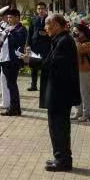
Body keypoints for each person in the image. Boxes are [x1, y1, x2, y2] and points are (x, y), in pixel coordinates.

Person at [33, 14, 79, 172]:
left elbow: (55, 64)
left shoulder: (65, 41)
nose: (46, 28)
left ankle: (63, 161)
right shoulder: (58, 40)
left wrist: (32, 61)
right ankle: (60, 157)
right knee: (56, 127)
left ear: (58, 25)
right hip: (58, 92)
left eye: (49, 25)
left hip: (61, 93)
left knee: (59, 127)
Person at [0, 9, 27, 117]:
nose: (8, 19)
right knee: (10, 85)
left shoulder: (21, 29)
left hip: (13, 60)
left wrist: (11, 32)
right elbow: (1, 42)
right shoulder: (8, 28)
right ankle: (15, 108)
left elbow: (18, 42)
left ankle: (14, 108)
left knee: (12, 85)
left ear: (17, 18)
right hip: (4, 59)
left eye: (10, 17)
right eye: (8, 17)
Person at [72, 24, 90, 122]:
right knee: (76, 92)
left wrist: (76, 40)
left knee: (84, 92)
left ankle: (86, 113)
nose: (75, 33)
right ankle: (78, 111)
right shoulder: (76, 42)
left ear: (83, 32)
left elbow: (80, 50)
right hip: (75, 70)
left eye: (77, 31)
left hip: (84, 71)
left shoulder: (88, 43)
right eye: (74, 31)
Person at [27, 3, 51, 94]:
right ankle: (33, 85)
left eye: (42, 8)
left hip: (46, 47)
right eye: (39, 9)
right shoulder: (34, 19)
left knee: (45, 67)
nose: (40, 10)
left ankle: (45, 86)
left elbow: (54, 32)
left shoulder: (50, 19)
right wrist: (28, 45)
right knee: (34, 67)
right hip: (35, 46)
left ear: (46, 9)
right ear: (37, 10)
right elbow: (30, 32)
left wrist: (46, 34)